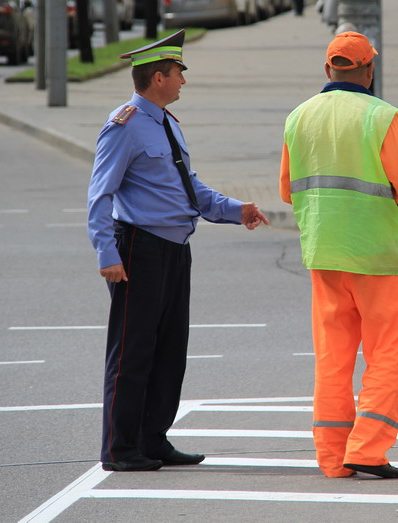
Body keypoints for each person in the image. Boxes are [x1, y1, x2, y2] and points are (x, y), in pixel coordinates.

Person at [87, 29, 269, 471]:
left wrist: (233, 209)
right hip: (139, 250)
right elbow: (100, 194)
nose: (184, 81)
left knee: (169, 351)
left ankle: (153, 439)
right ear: (158, 78)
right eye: (178, 73)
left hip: (173, 250)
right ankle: (120, 448)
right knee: (132, 353)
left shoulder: (164, 122)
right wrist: (107, 254)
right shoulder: (124, 125)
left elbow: (187, 187)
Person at [280, 31, 398, 479]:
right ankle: (367, 449)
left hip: (324, 253)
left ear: (328, 70)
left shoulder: (298, 116)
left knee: (333, 358)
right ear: (370, 70)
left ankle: (332, 456)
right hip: (379, 255)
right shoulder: (382, 116)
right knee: (387, 354)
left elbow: (288, 190)